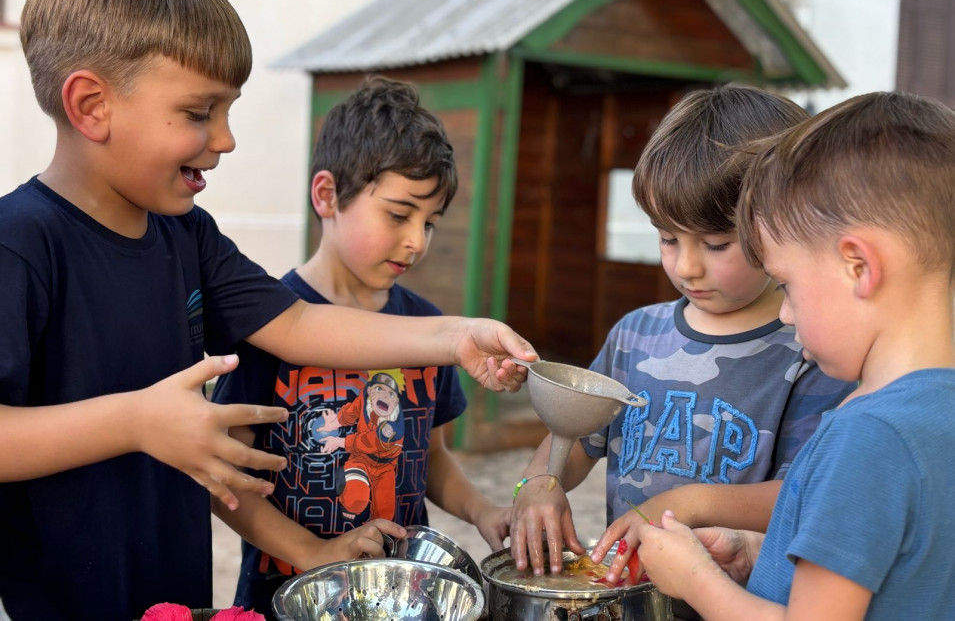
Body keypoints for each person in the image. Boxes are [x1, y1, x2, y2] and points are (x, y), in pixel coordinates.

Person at [0, 0, 534, 621]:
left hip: (176, 594)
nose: (225, 139)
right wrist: (136, 421)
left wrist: (456, 335)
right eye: (199, 112)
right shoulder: (22, 243)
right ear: (92, 106)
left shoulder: (186, 235)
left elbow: (298, 324)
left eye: (228, 112)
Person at [595, 91, 955, 619]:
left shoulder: (865, 437)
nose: (785, 314)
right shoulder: (930, 415)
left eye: (786, 285)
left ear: (859, 267)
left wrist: (696, 582)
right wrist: (752, 555)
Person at [509, 84, 854, 576]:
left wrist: (686, 502)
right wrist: (536, 486)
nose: (687, 266)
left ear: (784, 225)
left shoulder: (814, 351)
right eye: (668, 238)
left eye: (716, 244)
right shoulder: (634, 336)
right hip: (628, 595)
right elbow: (573, 442)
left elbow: (805, 495)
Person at [210, 76, 511, 616]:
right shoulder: (266, 325)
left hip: (397, 601)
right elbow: (226, 483)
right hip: (281, 598)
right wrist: (314, 552)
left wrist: (484, 511)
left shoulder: (426, 329)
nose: (417, 241)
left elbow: (432, 459)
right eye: (398, 214)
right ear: (327, 195)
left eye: (430, 223)